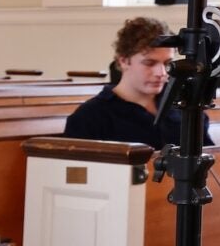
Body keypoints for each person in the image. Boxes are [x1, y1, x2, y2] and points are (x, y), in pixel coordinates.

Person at [62, 17, 212, 148]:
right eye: (149, 63)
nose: (161, 73)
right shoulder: (90, 117)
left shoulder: (182, 106)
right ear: (123, 61)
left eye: (168, 63)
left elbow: (210, 158)